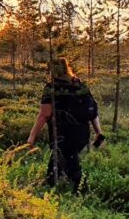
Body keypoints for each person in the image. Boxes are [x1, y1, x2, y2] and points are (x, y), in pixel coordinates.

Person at [27, 58, 99, 193]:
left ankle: (81, 191)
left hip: (63, 133)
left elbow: (44, 114)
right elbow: (93, 112)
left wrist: (32, 136)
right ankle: (50, 184)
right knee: (59, 159)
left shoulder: (51, 87)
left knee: (71, 163)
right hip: (82, 133)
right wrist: (98, 132)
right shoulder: (79, 84)